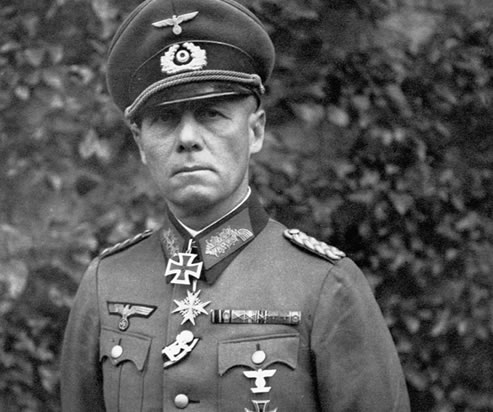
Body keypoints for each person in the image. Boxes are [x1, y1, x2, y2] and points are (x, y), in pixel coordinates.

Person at [60, 0, 411, 410]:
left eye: (211, 114)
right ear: (140, 143)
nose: (187, 138)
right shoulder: (106, 283)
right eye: (165, 119)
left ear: (255, 131)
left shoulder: (324, 285)